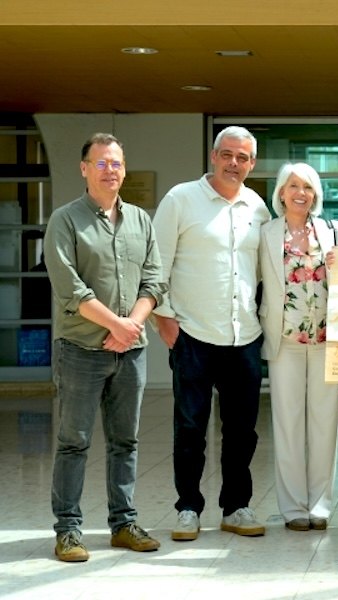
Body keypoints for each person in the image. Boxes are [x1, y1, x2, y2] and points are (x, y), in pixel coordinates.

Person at [44, 133, 165, 562]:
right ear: (84, 169)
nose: (109, 170)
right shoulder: (65, 220)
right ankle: (68, 531)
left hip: (130, 352)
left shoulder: (140, 220)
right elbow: (69, 288)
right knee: (73, 442)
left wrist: (131, 326)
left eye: (116, 163)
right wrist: (117, 325)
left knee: (125, 442)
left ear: (124, 170)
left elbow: (154, 280)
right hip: (80, 350)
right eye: (100, 163)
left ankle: (123, 524)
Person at [153, 126, 271, 541]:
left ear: (252, 164)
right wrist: (163, 318)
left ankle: (236, 507)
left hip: (244, 337)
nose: (234, 163)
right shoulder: (180, 199)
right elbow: (156, 262)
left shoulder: (258, 208)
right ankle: (188, 508)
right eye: (227, 155)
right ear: (213, 156)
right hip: (193, 334)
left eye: (243, 157)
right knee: (190, 429)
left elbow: (266, 271)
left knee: (242, 432)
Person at [259, 162, 338, 531]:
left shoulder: (332, 230)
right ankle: (293, 508)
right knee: (288, 424)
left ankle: (320, 506)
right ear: (281, 192)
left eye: (308, 187)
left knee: (325, 425)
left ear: (316, 194)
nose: (301, 193)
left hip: (326, 340)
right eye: (293, 185)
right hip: (285, 340)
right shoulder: (266, 233)